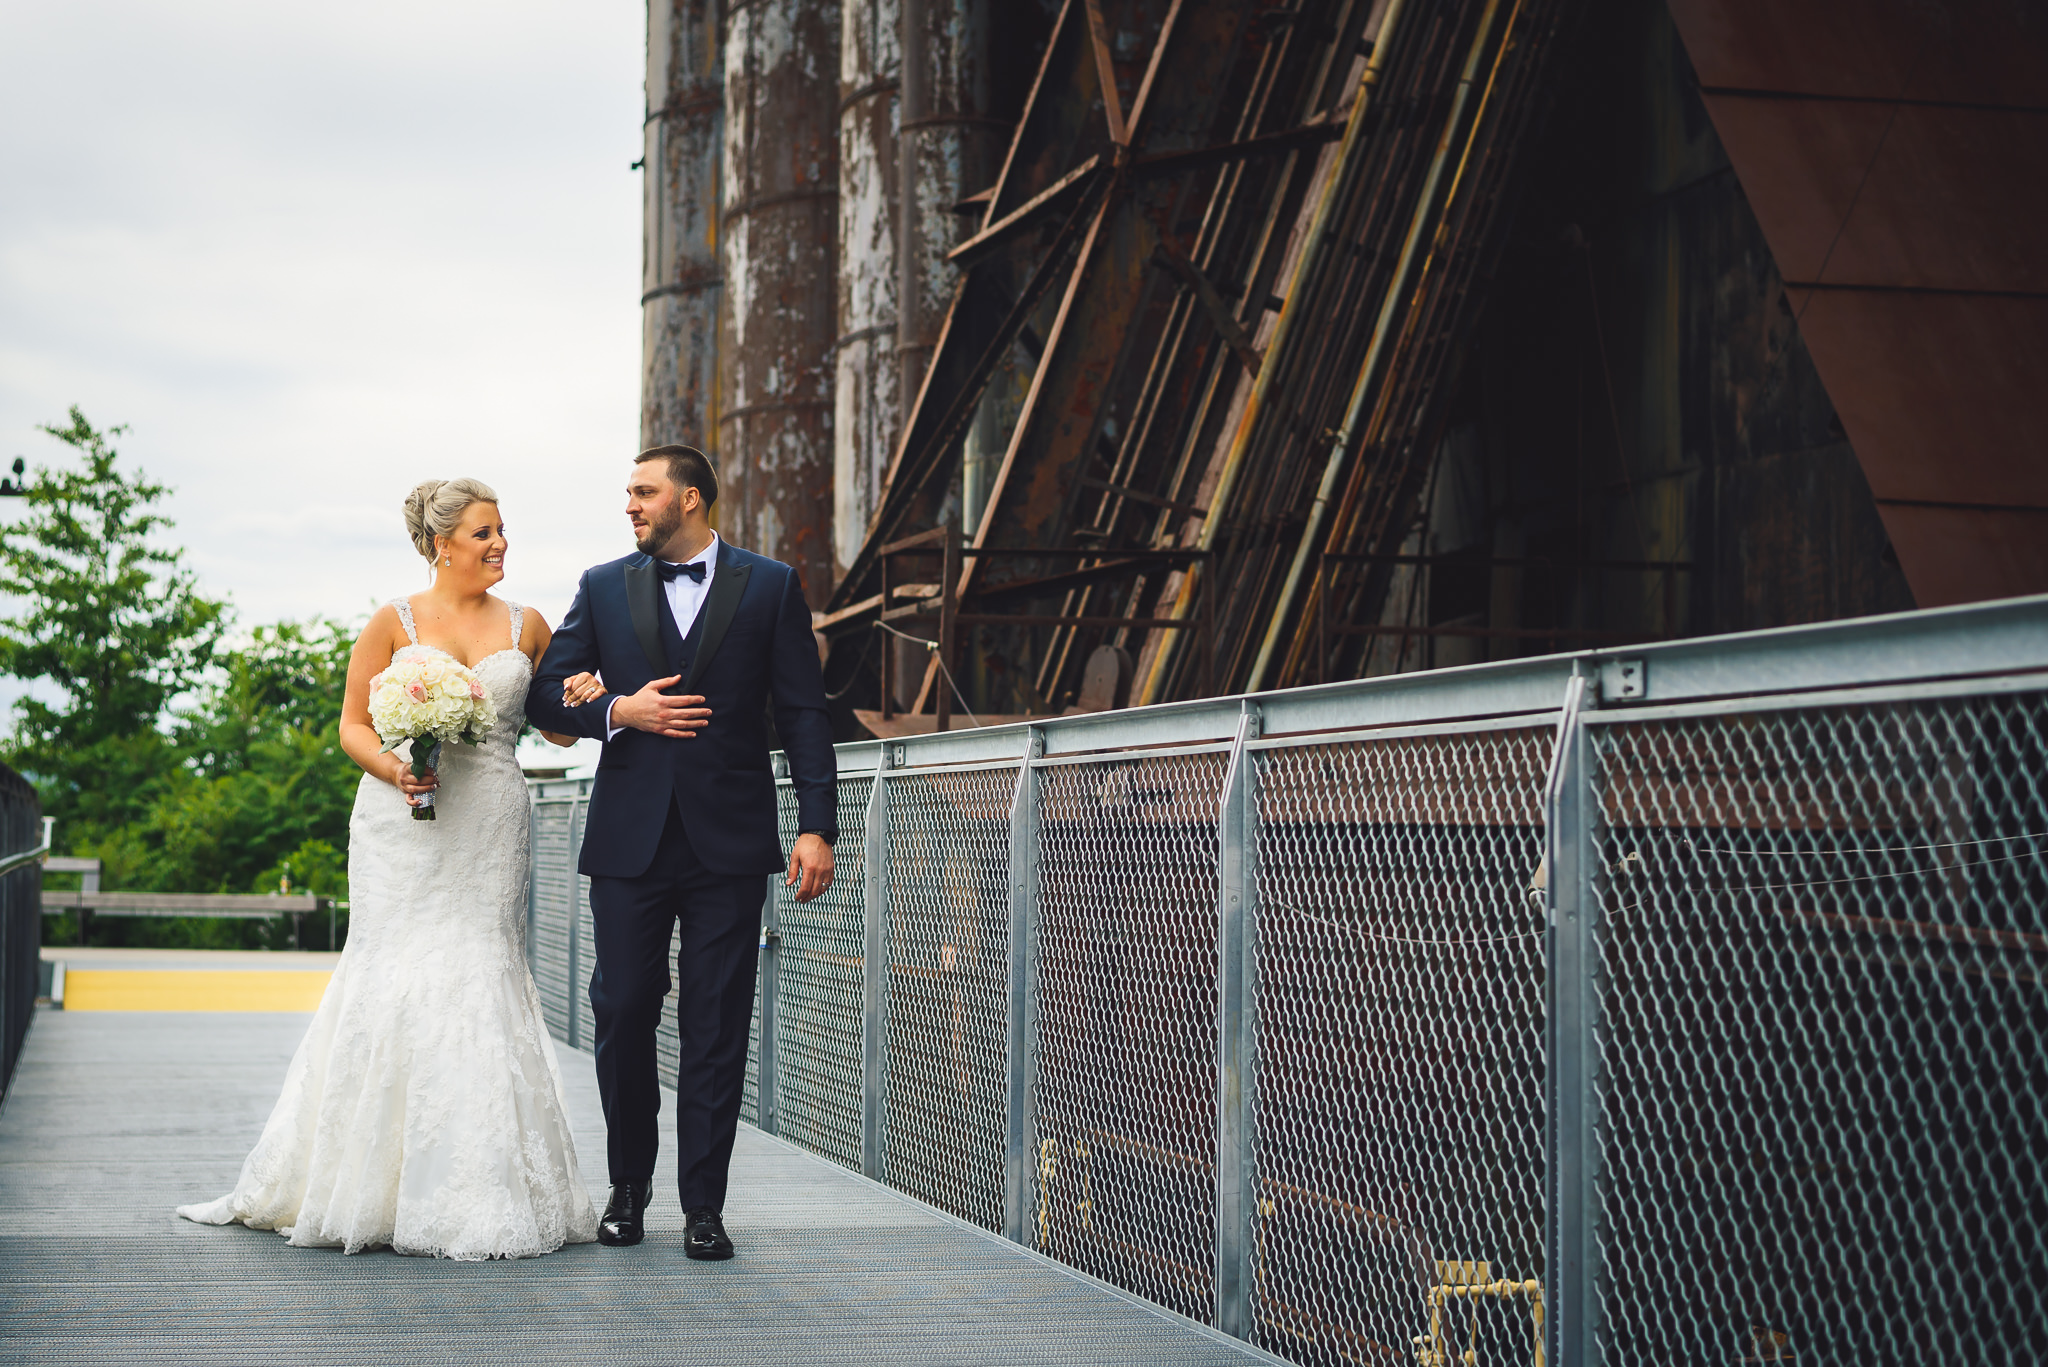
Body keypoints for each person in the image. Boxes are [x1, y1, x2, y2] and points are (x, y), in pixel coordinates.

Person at [176, 478, 602, 1259]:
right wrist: (395, 770)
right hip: (401, 822)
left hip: (490, 822)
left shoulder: (530, 623)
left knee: (481, 968)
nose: (501, 543)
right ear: (444, 545)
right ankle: (366, 1180)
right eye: (484, 533)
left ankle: (478, 1185)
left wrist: (585, 695)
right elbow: (352, 724)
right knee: (390, 971)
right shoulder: (394, 621)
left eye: (503, 529)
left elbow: (560, 733)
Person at [524, 444, 837, 1261]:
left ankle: (704, 1205)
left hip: (729, 841)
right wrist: (620, 708)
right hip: (630, 838)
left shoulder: (769, 585)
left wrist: (817, 824)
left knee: (716, 1022)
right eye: (628, 493)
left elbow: (803, 710)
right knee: (623, 1006)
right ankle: (629, 1188)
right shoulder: (602, 585)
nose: (629, 505)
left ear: (689, 499)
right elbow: (544, 693)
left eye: (643, 492)